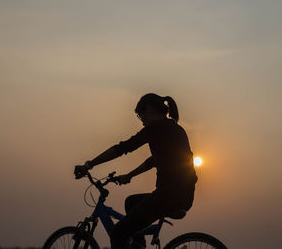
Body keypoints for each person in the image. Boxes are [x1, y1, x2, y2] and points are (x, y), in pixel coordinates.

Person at [74, 93, 198, 249]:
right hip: (183, 195)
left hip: (168, 195)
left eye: (141, 116)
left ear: (150, 109)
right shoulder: (174, 129)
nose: (142, 122)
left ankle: (136, 244)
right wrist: (130, 175)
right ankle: (138, 245)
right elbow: (154, 161)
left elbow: (123, 148)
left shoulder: (155, 128)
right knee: (131, 202)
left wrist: (89, 164)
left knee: (118, 233)